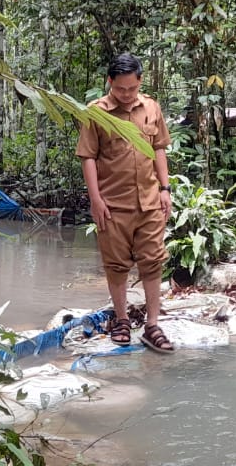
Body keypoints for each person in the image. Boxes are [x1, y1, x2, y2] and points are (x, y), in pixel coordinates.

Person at [76, 53, 176, 353]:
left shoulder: (151, 107)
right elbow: (88, 157)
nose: (126, 94)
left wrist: (165, 188)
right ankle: (121, 320)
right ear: (110, 82)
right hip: (113, 204)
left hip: (149, 201)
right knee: (116, 265)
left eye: (132, 88)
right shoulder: (97, 112)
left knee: (153, 261)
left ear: (140, 81)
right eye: (120, 89)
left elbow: (159, 148)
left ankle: (152, 325)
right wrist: (95, 199)